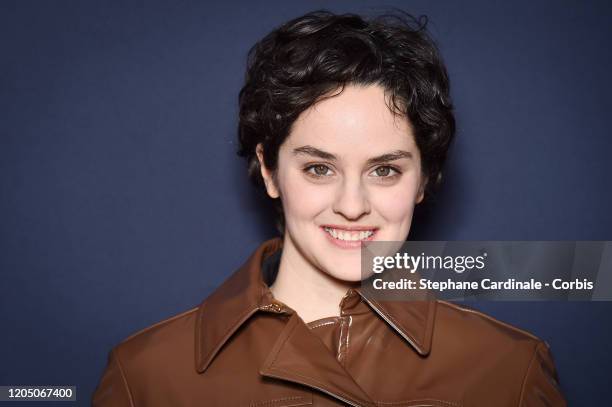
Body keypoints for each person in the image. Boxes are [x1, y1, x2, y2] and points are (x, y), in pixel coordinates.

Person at [92, 10, 566, 406]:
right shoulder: (146, 377)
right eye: (319, 168)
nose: (352, 206)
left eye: (385, 170)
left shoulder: (510, 370)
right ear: (270, 170)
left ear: (423, 179)